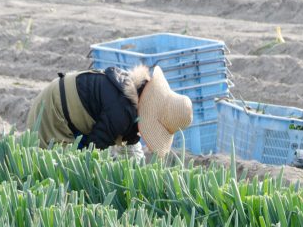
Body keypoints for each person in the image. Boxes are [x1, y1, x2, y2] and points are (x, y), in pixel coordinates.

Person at [27, 63, 193, 159]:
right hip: (52, 111)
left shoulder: (133, 92)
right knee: (60, 167)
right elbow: (93, 148)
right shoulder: (122, 112)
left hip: (59, 96)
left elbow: (129, 141)